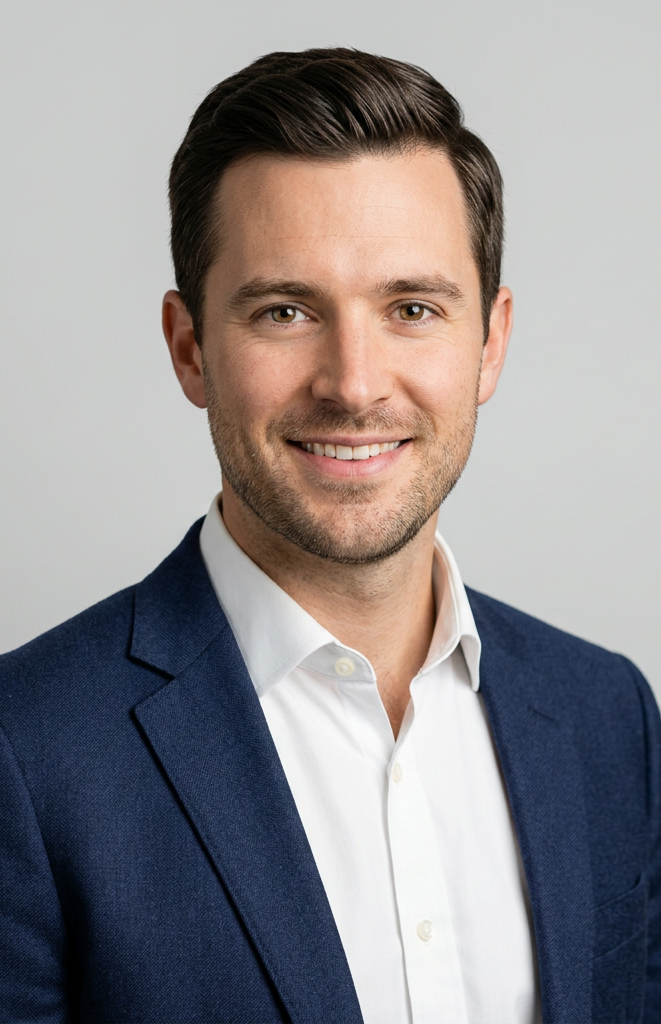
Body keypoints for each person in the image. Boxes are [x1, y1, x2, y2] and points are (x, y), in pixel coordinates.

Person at [0, 47, 658, 1024]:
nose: (352, 384)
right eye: (285, 311)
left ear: (490, 342)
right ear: (189, 348)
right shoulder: (24, 750)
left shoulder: (607, 716)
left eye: (411, 308)